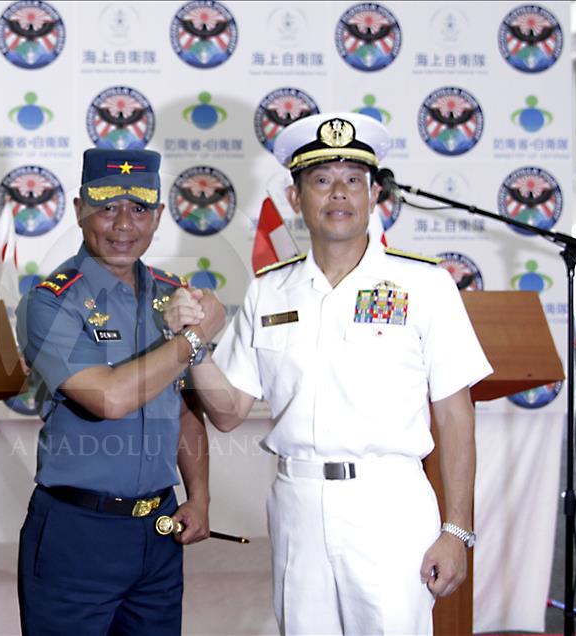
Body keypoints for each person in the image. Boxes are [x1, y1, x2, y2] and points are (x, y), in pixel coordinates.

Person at [163, 113, 494, 634]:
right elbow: (228, 412)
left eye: (352, 180)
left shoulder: (424, 286)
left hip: (389, 504)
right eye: (321, 180)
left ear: (372, 195)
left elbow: (455, 416)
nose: (338, 193)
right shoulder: (269, 290)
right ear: (296, 198)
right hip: (298, 504)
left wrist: (458, 529)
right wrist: (195, 345)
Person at [15, 148, 222, 635]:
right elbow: (108, 399)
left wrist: (200, 498)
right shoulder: (50, 302)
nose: (124, 224)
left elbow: (186, 410)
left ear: (159, 216)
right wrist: (193, 339)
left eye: (140, 208)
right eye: (107, 207)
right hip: (78, 533)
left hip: (159, 531)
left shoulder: (173, 296)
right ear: (79, 208)